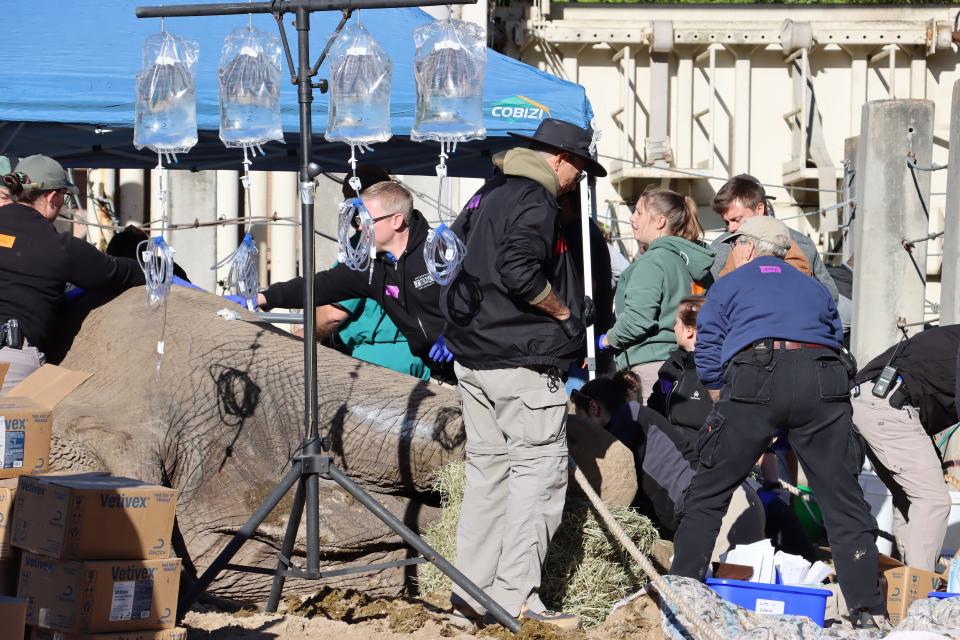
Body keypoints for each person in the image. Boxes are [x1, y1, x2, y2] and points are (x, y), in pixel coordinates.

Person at [669, 215, 883, 630]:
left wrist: (720, 397)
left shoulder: (730, 283)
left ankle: (683, 595)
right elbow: (835, 335)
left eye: (733, 246)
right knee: (842, 500)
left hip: (756, 375)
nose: (729, 254)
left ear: (748, 248)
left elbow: (709, 343)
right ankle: (868, 610)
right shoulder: (815, 287)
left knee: (709, 490)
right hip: (822, 377)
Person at [440, 118, 605, 629]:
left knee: (487, 475)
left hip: (476, 357)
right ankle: (516, 600)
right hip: (522, 360)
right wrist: (562, 313)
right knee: (537, 477)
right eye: (579, 167)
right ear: (560, 158)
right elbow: (518, 269)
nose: (578, 178)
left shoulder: (486, 193)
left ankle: (469, 596)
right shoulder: (537, 200)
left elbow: (449, 257)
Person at [257, 180, 453, 379]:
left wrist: (454, 335)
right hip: (439, 373)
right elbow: (321, 285)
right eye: (360, 221)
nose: (360, 228)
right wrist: (263, 298)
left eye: (368, 221)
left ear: (396, 221)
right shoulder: (372, 266)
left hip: (474, 361)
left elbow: (478, 300)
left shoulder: (439, 252)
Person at [572, 374, 765, 558]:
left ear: (594, 407)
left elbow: (610, 487)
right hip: (722, 506)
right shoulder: (635, 418)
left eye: (582, 422)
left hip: (722, 512)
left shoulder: (627, 419)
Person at [0, 155, 145, 394]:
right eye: (64, 198)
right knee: (12, 431)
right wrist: (155, 266)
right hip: (9, 360)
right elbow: (115, 272)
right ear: (52, 196)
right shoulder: (59, 246)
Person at [307, 166, 429, 381]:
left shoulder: (364, 246)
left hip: (376, 360)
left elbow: (333, 314)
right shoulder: (420, 236)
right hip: (418, 356)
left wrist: (304, 336)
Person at [853, 326, 957, 572]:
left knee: (911, 500)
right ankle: (917, 596)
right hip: (890, 405)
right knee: (933, 500)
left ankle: (899, 586)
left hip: (871, 401)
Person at [596, 187, 714, 397]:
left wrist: (607, 340)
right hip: (689, 364)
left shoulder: (652, 262)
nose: (633, 218)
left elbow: (637, 320)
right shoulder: (695, 263)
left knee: (650, 429)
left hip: (650, 369)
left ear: (660, 221)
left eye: (639, 212)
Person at [709, 174, 839, 300]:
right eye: (726, 222)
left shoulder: (799, 244)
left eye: (737, 219)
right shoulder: (720, 248)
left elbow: (830, 295)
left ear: (760, 209)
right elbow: (706, 300)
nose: (731, 228)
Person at [558, 189, 615, 381]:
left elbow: (584, 286)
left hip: (585, 340)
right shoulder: (587, 228)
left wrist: (579, 338)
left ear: (565, 203)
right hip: (590, 336)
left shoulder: (578, 232)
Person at [646, 295, 709, 446]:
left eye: (676, 322)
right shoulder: (672, 364)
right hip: (667, 453)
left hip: (700, 458)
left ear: (688, 330)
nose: (674, 327)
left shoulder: (714, 372)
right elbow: (655, 404)